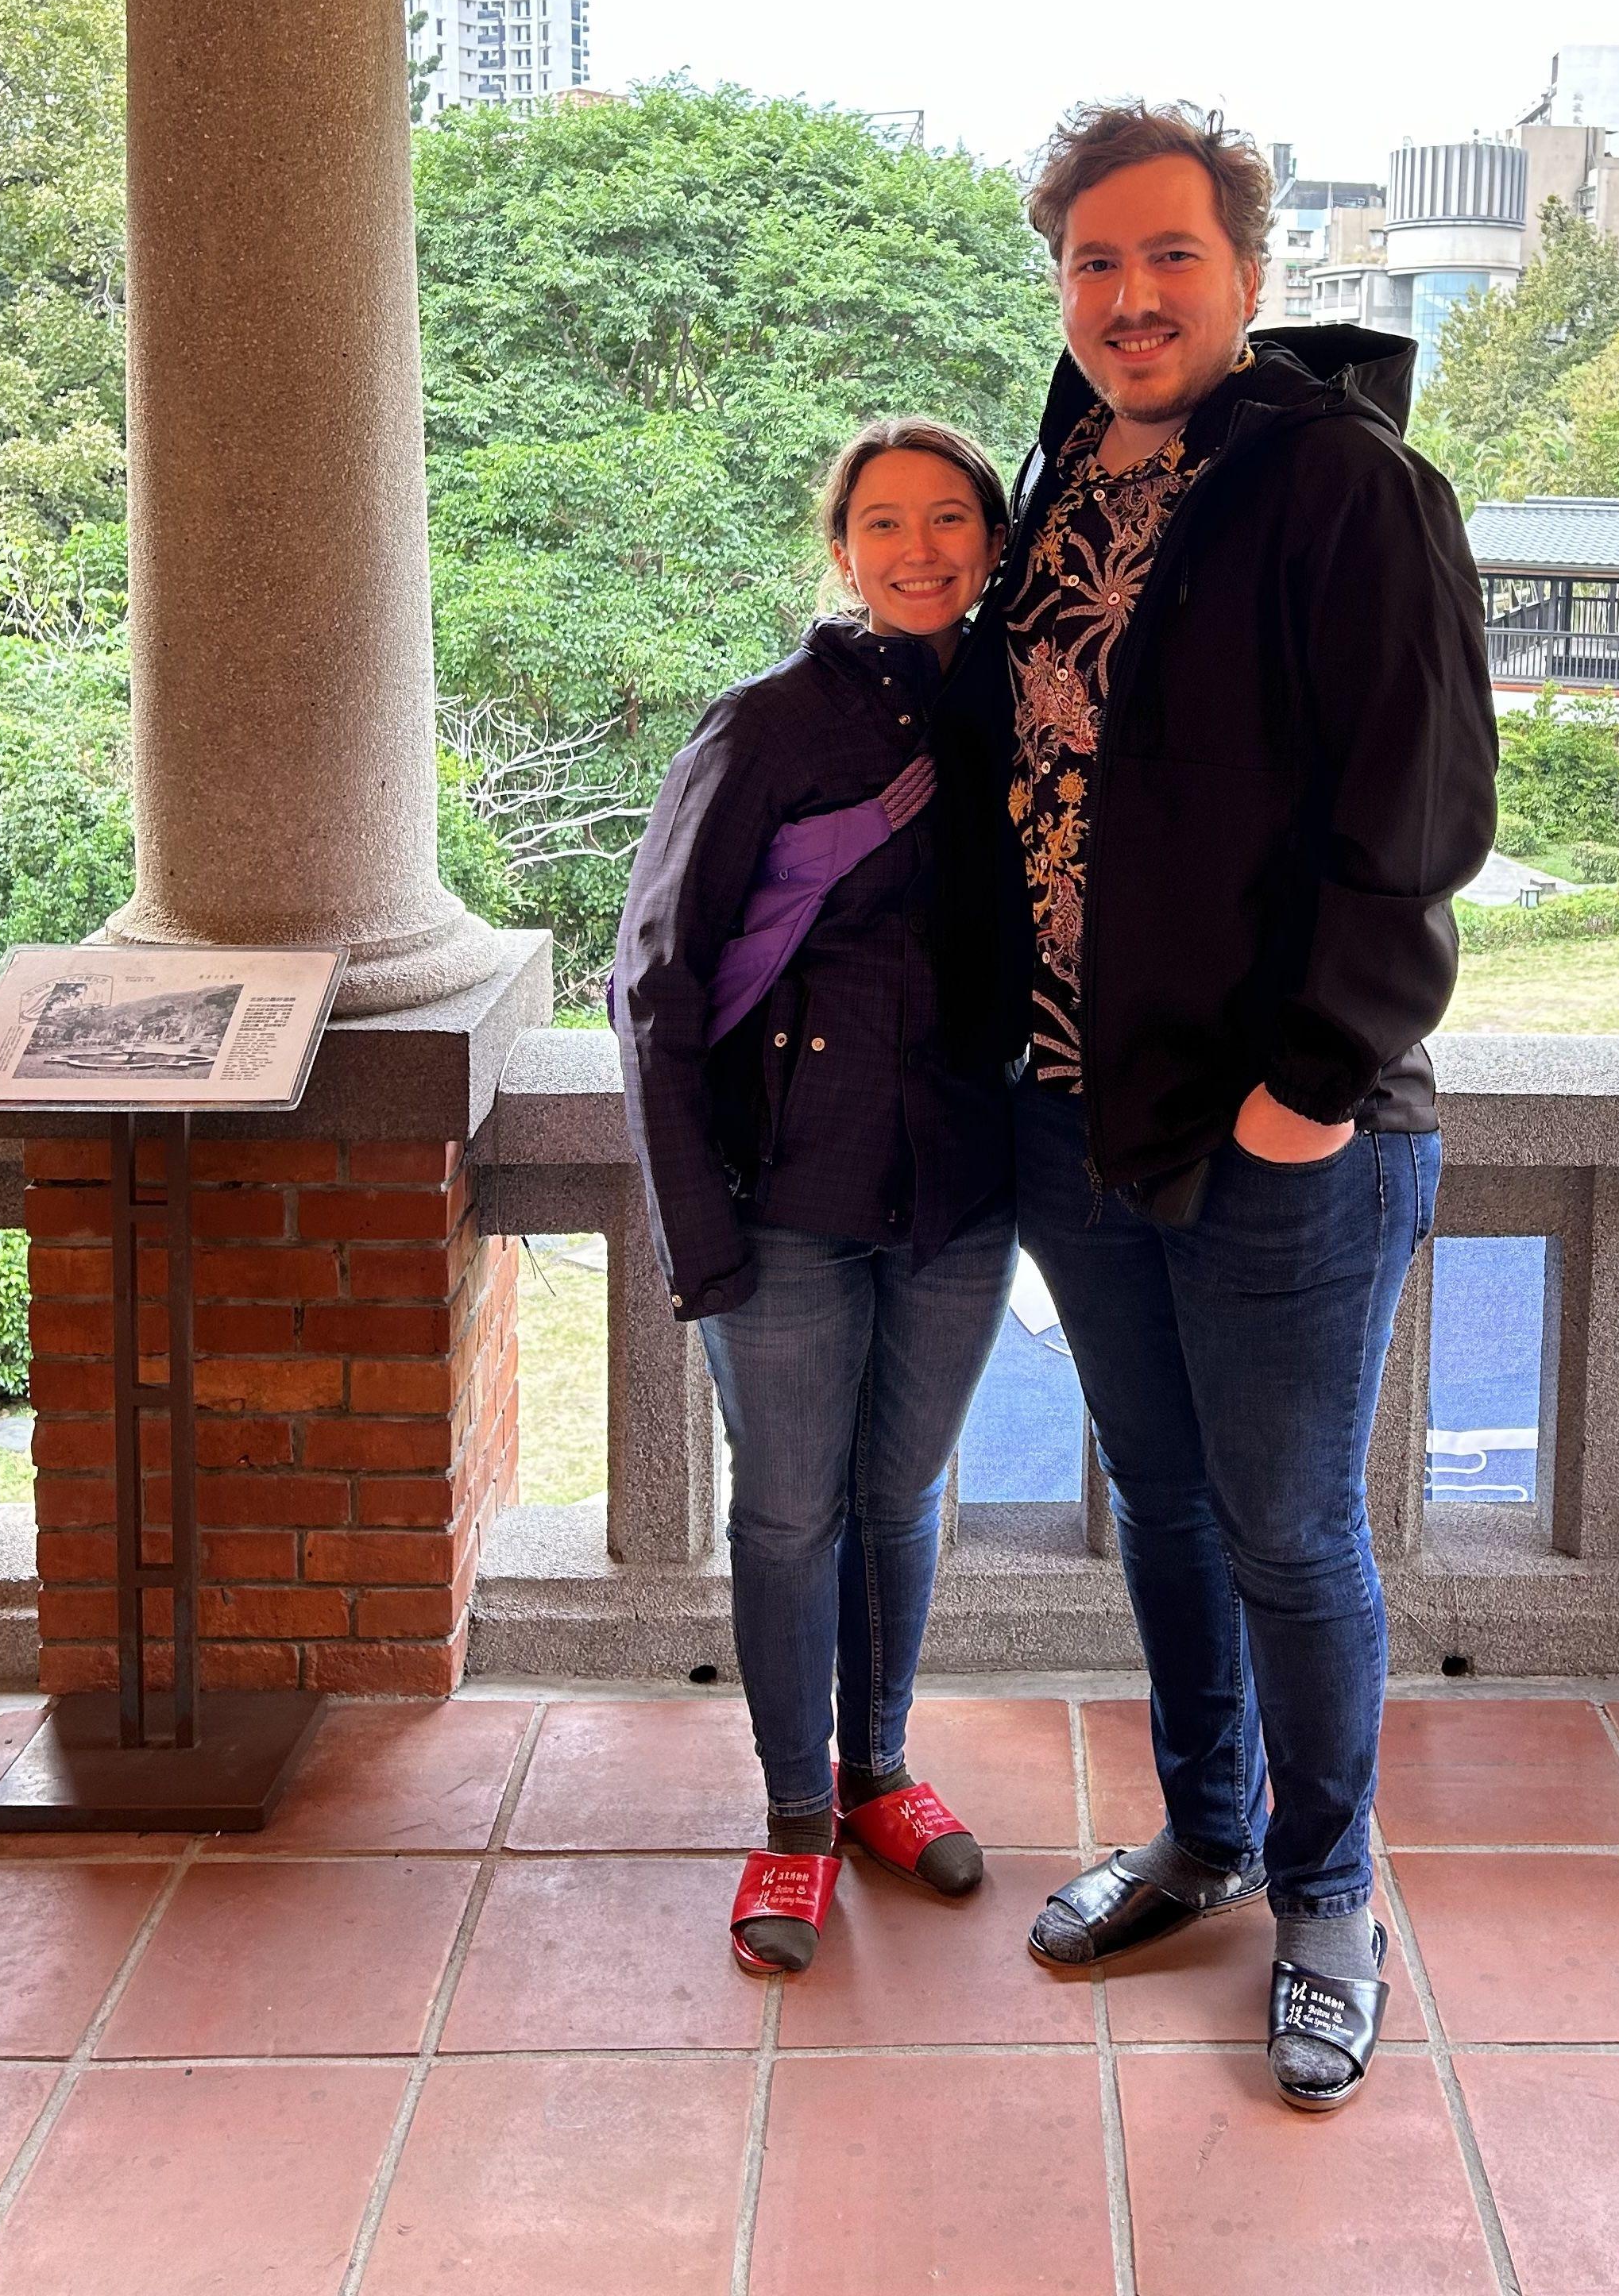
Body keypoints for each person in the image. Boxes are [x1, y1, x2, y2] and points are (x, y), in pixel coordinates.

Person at [956, 102, 1497, 2111]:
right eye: (1093, 263)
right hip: (1080, 1108)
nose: (1129, 296)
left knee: (1286, 1527)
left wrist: (1308, 1089)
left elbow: (1418, 813)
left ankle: (1330, 1889)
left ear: (1250, 274)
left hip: (1284, 1123)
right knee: (1164, 1500)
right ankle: (1206, 1828)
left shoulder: (1345, 485)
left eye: (1168, 255)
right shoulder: (1068, 469)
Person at [613, 419, 1022, 1979]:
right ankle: (794, 1823)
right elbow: (652, 981)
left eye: (948, 520)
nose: (919, 548)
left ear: (991, 542)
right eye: (882, 522)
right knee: (790, 1514)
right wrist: (696, 1234)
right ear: (838, 551)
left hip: (959, 1201)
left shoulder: (1022, 717)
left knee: (900, 1501)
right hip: (779, 1200)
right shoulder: (766, 728)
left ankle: (880, 1777)